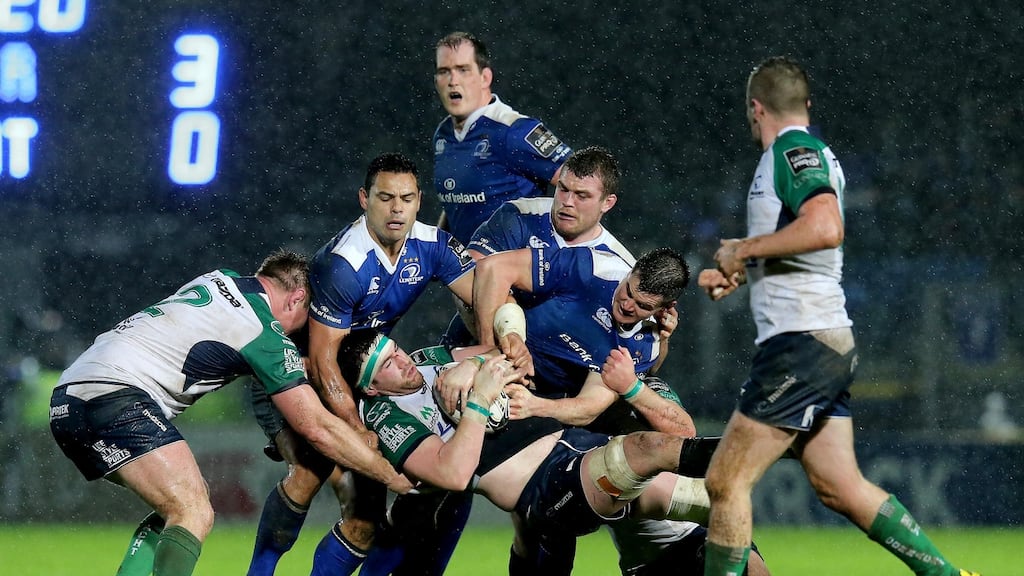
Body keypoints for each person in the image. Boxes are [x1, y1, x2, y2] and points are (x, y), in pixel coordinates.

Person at [697, 56, 979, 576]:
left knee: (725, 482)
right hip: (823, 340)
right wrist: (742, 260)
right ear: (806, 104)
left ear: (754, 108)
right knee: (838, 485)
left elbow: (825, 227)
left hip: (799, 344)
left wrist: (745, 250)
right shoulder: (799, 153)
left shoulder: (794, 150)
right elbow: (802, 245)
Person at [48, 250, 410, 576]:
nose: (300, 334)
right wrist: (389, 475)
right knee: (192, 512)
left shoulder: (219, 278)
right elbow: (316, 427)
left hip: (70, 398)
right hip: (114, 396)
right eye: (304, 321)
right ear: (297, 298)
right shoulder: (261, 329)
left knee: (175, 507)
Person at [341, 329, 771, 576]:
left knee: (719, 509)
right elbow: (451, 474)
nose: (403, 362)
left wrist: (474, 365)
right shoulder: (385, 416)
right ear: (372, 387)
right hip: (547, 487)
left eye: (395, 350)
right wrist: (479, 401)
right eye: (387, 366)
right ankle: (772, 447)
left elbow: (510, 355)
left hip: (581, 453)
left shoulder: (430, 359)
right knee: (648, 447)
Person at [246, 153, 477, 576]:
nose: (396, 208)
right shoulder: (344, 265)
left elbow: (483, 292)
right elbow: (320, 361)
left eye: (406, 198)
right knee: (308, 470)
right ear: (363, 200)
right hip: (293, 370)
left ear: (419, 201)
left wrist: (504, 340)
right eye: (385, 197)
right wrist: (356, 430)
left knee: (366, 519)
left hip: (356, 380)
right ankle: (259, 572)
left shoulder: (432, 247)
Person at [432, 30, 572, 247]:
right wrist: (439, 251)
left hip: (518, 275)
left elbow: (583, 182)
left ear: (485, 77)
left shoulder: (514, 130)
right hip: (471, 274)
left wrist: (565, 250)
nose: (453, 80)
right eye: (444, 71)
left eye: (463, 70)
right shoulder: (443, 135)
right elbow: (457, 205)